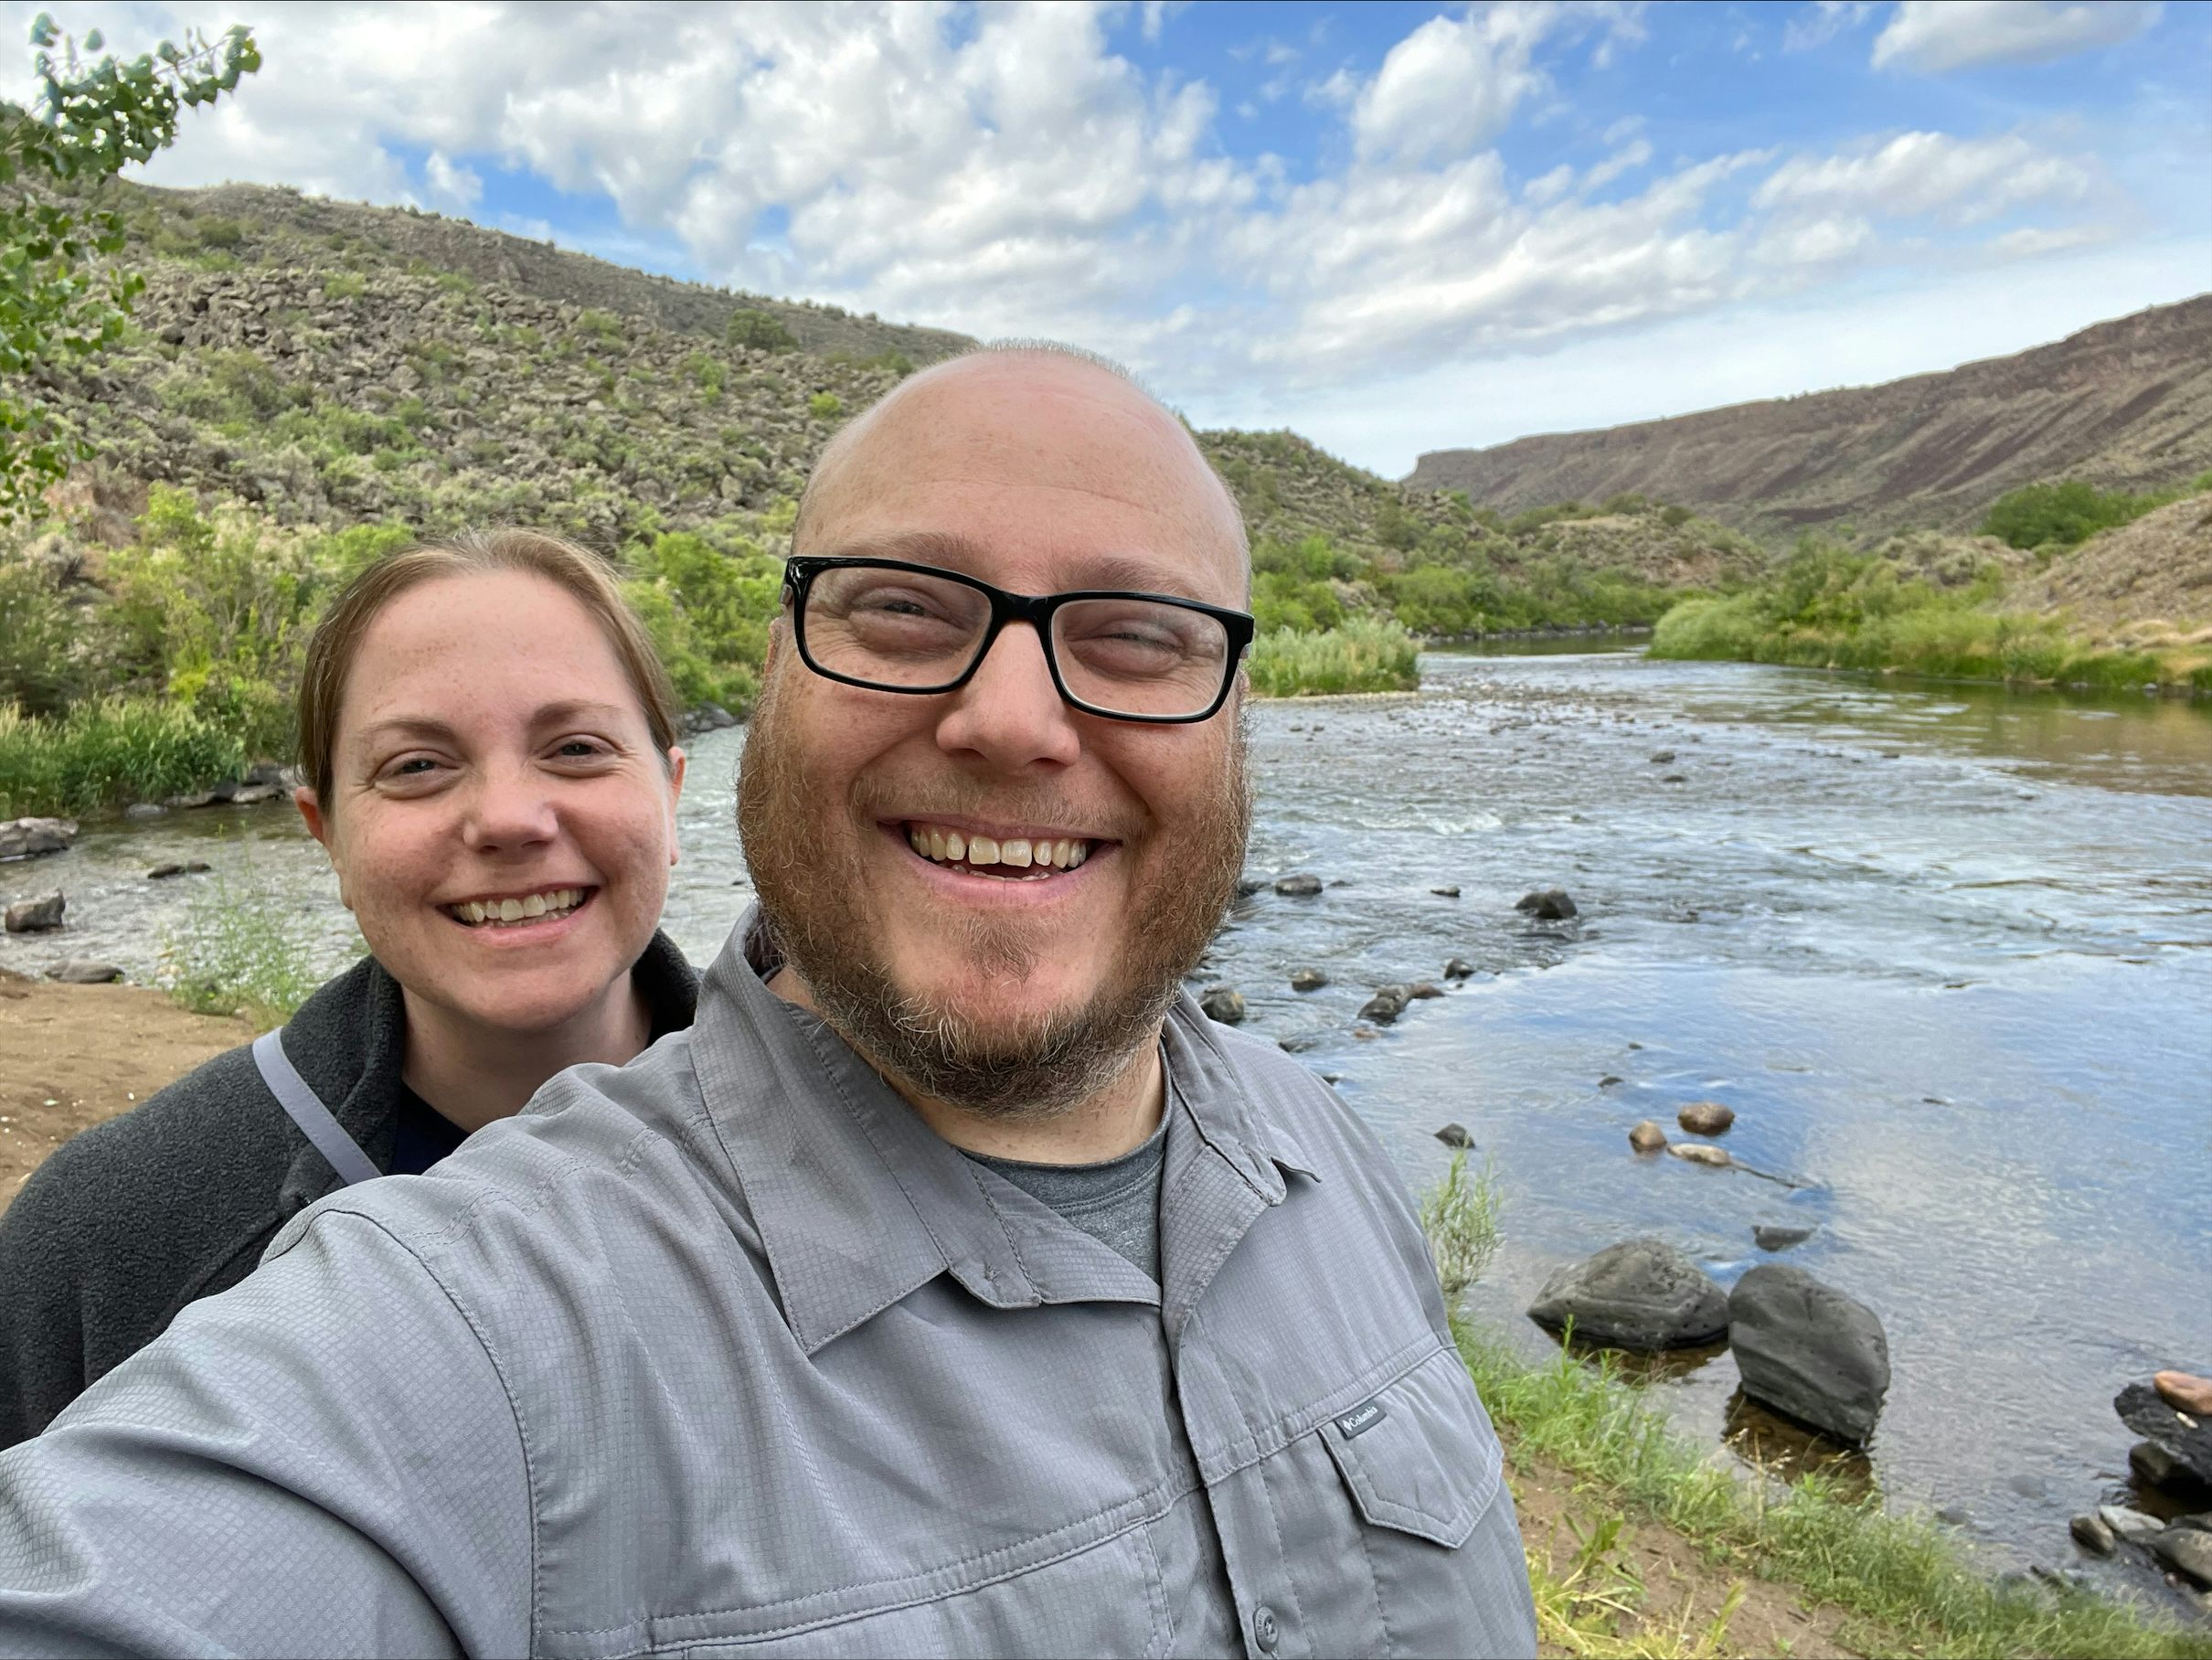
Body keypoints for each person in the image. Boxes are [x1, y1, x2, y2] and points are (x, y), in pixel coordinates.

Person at [0, 348, 1537, 1659]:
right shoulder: (480, 1324)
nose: (1011, 719)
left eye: (1137, 636)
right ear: (777, 677)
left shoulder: (1332, 1162)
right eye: (901, 609)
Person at [0, 529, 697, 1450]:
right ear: (324, 832)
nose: (507, 819)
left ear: (670, 791)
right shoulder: (100, 1244)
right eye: (416, 765)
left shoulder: (856, 1150)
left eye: (574, 747)